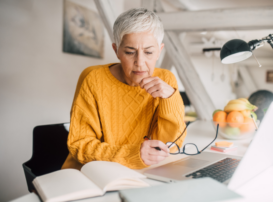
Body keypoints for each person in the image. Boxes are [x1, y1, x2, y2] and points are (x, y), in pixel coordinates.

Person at [61, 8, 186, 170]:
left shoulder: (166, 80)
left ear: (159, 51)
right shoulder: (93, 79)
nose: (140, 62)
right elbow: (79, 145)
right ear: (116, 50)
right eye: (129, 52)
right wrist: (131, 154)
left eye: (148, 52)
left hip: (140, 173)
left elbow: (169, 146)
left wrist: (171, 99)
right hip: (89, 172)